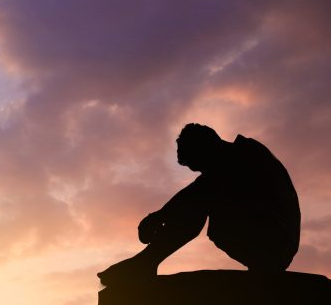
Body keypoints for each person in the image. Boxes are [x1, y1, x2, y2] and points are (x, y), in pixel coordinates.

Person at [98, 123, 300, 286]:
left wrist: (159, 216)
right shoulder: (232, 161)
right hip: (268, 238)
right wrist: (160, 215)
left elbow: (200, 190)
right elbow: (201, 188)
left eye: (199, 165)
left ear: (207, 148)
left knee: (201, 200)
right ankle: (146, 261)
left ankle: (146, 262)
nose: (201, 172)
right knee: (202, 198)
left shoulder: (245, 156)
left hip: (275, 243)